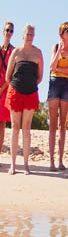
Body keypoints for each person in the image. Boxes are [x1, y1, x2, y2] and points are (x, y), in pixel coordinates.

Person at [4, 24, 42, 174]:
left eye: (32, 34)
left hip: (31, 92)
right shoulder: (16, 52)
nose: (29, 36)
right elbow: (8, 76)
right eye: (27, 34)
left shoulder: (38, 53)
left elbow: (39, 77)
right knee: (14, 127)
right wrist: (17, 86)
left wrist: (29, 85)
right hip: (15, 92)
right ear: (22, 35)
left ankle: (26, 164)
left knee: (26, 128)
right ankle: (13, 164)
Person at [46, 22, 68, 172]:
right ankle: (51, 160)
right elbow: (51, 65)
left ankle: (60, 160)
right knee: (53, 124)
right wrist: (58, 52)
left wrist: (58, 68)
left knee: (62, 125)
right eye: (67, 31)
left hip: (66, 84)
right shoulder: (55, 47)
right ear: (61, 33)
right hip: (54, 83)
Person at [0, 22, 13, 159]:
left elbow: (12, 74)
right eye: (7, 30)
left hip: (5, 88)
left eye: (11, 31)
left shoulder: (13, 50)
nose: (9, 33)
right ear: (3, 32)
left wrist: (2, 88)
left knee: (1, 123)